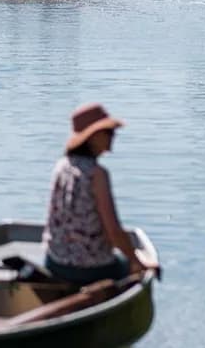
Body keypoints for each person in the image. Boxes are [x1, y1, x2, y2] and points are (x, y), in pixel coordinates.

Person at [43, 103, 156, 285]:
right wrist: (136, 262)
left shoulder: (61, 166)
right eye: (108, 132)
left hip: (54, 262)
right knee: (131, 265)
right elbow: (113, 232)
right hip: (90, 268)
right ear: (92, 137)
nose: (114, 136)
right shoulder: (97, 174)